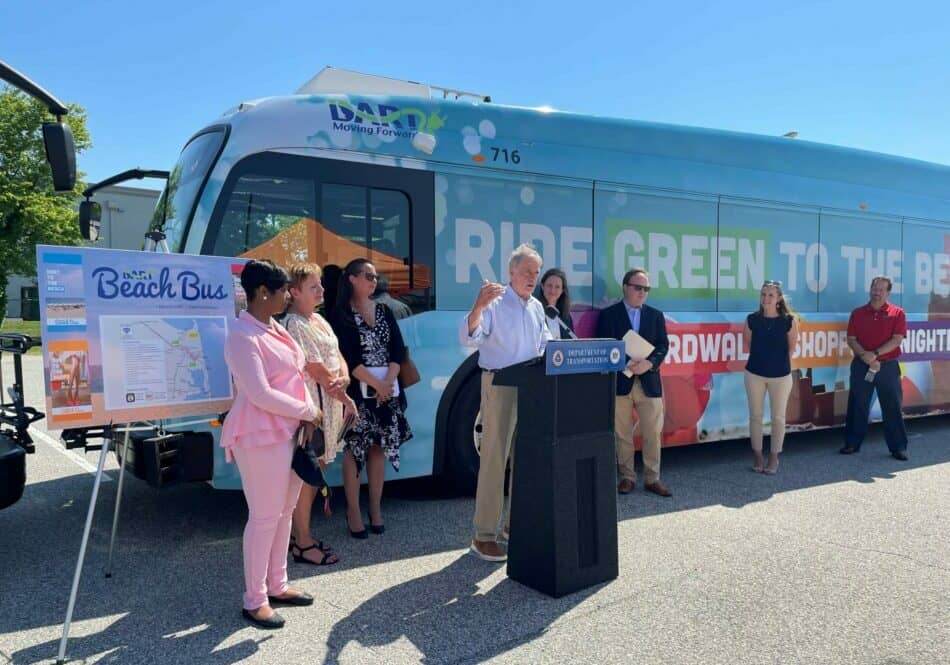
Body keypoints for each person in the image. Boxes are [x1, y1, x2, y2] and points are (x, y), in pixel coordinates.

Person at [222, 259, 320, 630]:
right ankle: (254, 598)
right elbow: (259, 393)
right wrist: (307, 410)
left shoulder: (274, 327)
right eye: (283, 291)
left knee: (283, 512)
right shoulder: (241, 335)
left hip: (290, 431)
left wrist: (303, 415)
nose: (288, 296)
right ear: (264, 293)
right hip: (260, 434)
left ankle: (277, 585)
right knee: (264, 516)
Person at [459, 243, 552, 562]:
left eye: (536, 272)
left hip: (532, 387)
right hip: (500, 385)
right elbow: (470, 338)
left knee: (525, 459)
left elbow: (545, 344)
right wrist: (477, 308)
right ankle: (483, 535)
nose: (532, 277)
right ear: (511, 271)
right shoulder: (494, 303)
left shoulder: (537, 307)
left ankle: (515, 526)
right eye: (527, 271)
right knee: (495, 459)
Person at [330, 258, 413, 539]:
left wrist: (387, 383)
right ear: (352, 279)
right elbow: (347, 358)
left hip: (386, 393)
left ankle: (375, 509)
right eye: (368, 276)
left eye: (376, 277)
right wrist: (377, 384)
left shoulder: (385, 311)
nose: (373, 281)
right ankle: (353, 511)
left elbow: (398, 351)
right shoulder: (339, 314)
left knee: (379, 448)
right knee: (355, 451)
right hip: (357, 394)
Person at [285, 262, 359, 566]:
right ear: (294, 291)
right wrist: (345, 394)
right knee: (307, 476)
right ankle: (302, 541)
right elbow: (313, 368)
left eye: (320, 285)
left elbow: (338, 356)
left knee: (318, 471)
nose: (322, 291)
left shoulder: (320, 320)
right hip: (315, 409)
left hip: (331, 405)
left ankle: (299, 533)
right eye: (314, 286)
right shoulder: (294, 324)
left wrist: (344, 376)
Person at [595, 268, 672, 497]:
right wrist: (625, 362)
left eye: (646, 288)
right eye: (638, 287)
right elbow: (604, 345)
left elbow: (663, 346)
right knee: (623, 434)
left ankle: (652, 478)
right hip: (621, 381)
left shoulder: (655, 315)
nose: (642, 292)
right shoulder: (609, 315)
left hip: (649, 382)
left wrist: (649, 363)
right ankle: (627, 477)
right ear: (625, 287)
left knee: (652, 433)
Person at [841, 276, 909, 460]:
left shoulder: (898, 313)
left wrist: (875, 354)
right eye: (874, 288)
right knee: (857, 405)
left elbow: (897, 339)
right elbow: (851, 339)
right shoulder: (857, 313)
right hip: (862, 365)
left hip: (887, 367)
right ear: (870, 289)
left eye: (881, 290)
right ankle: (852, 444)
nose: (877, 292)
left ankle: (898, 447)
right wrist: (864, 355)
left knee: (892, 407)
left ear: (888, 292)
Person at [742, 280, 800, 475]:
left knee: (778, 418)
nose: (766, 299)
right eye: (763, 294)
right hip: (754, 374)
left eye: (770, 295)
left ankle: (774, 456)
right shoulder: (751, 319)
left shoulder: (789, 321)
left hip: (781, 376)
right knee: (755, 417)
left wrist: (776, 364)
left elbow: (790, 349)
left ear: (779, 299)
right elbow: (750, 346)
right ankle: (757, 455)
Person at [537, 267, 574, 339]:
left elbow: (571, 343)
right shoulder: (535, 312)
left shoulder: (566, 316)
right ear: (542, 286)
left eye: (557, 287)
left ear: (562, 290)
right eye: (549, 285)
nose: (552, 290)